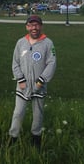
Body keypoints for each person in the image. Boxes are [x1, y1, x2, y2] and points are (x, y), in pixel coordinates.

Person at [8, 15, 56, 150]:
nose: (34, 28)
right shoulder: (20, 42)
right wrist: (20, 80)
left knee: (38, 114)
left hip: (39, 87)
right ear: (27, 27)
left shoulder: (48, 43)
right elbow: (15, 63)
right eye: (31, 25)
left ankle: (36, 138)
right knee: (18, 113)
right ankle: (13, 138)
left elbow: (51, 64)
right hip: (22, 87)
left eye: (37, 25)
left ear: (41, 26)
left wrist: (40, 82)